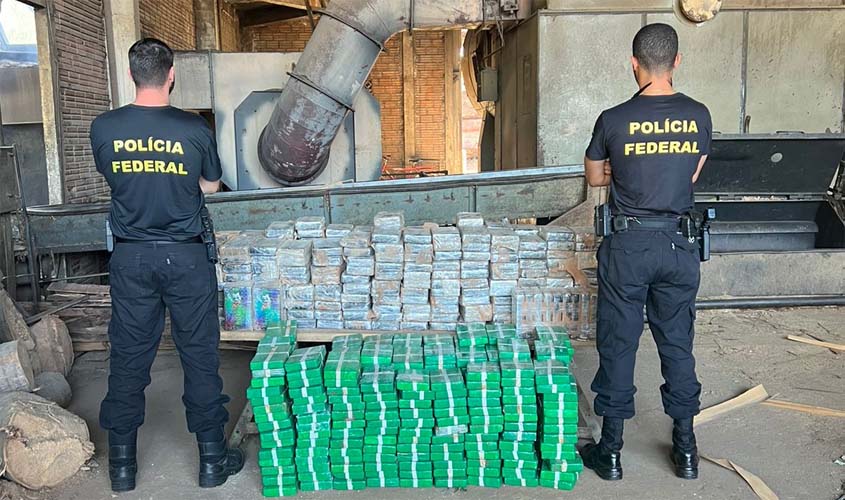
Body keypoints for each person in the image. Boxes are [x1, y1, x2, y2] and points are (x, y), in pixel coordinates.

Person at [90, 38, 243, 492]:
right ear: (171, 74)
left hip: (131, 256)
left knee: (128, 356)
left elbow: (114, 178)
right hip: (187, 256)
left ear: (131, 74)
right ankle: (212, 462)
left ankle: (122, 469)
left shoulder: (104, 128)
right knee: (199, 355)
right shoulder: (193, 128)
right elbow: (211, 185)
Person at [578, 23, 712, 481]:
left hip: (628, 245)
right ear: (677, 62)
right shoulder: (698, 115)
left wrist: (625, 167)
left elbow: (595, 177)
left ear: (633, 64)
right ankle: (687, 451)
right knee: (677, 343)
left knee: (619, 343)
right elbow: (690, 176)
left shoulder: (613, 119)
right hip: (678, 244)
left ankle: (611, 453)